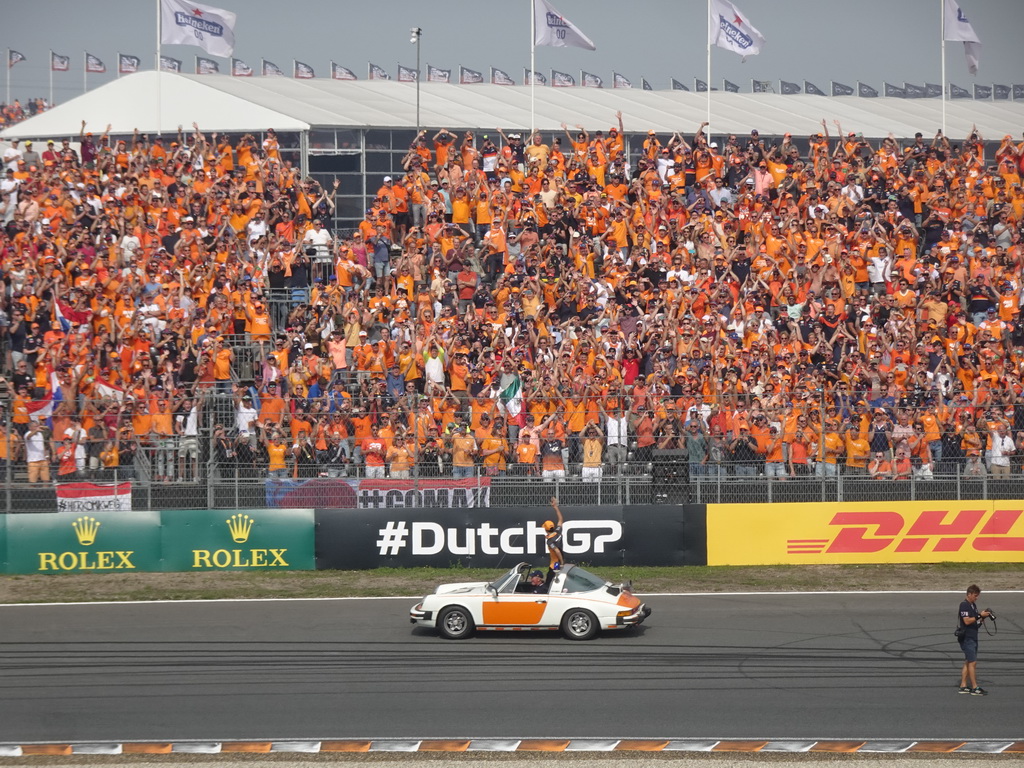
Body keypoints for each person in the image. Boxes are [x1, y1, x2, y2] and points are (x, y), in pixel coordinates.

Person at [957, 584, 992, 696]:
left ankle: (963, 685)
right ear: (969, 594)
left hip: (973, 636)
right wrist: (978, 616)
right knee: (973, 662)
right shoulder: (964, 605)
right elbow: (967, 621)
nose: (977, 598)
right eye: (975, 596)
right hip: (967, 638)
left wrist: (981, 619)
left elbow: (974, 623)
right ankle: (975, 687)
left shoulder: (973, 605)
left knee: (968, 661)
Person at [543, 496, 565, 571]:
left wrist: (561, 562)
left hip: (555, 563)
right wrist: (555, 507)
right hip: (561, 558)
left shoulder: (549, 541)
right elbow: (560, 520)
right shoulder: (558, 531)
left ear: (546, 530)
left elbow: (557, 551)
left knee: (552, 578)